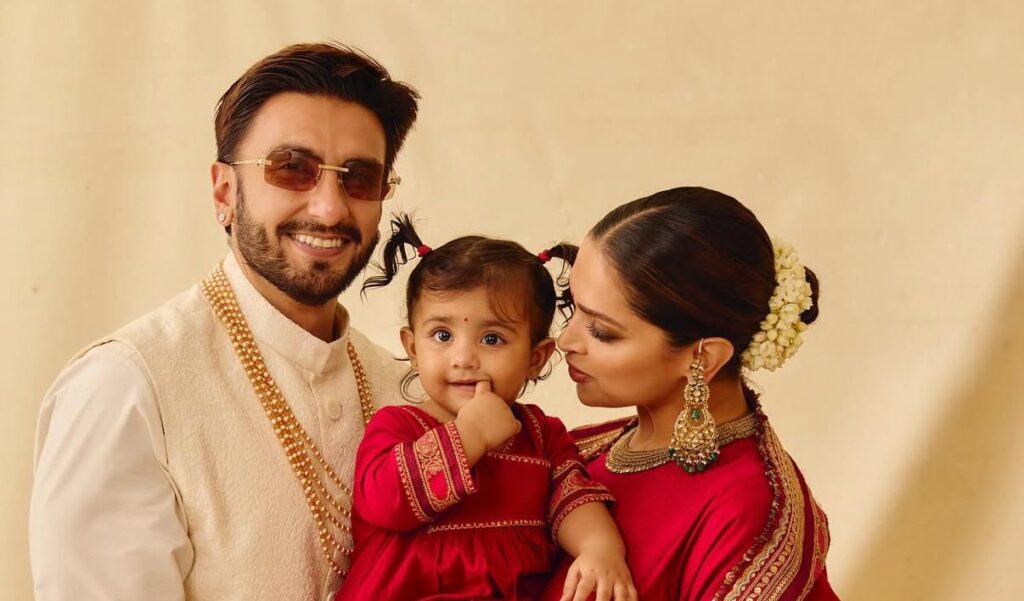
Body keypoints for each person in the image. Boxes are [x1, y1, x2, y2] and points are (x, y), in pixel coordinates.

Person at [29, 42, 420, 601]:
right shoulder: (127, 388)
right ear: (224, 191)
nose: (330, 208)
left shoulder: (408, 389)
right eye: (293, 169)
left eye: (358, 178)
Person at [542, 187, 840, 600]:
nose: (565, 340)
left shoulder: (748, 513)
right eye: (571, 307)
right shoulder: (577, 449)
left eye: (602, 331)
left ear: (703, 356)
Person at [333, 215, 637, 601]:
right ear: (413, 348)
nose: (463, 358)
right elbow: (385, 503)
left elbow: (574, 499)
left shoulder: (541, 436)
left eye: (492, 339)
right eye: (442, 335)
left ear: (536, 358)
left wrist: (600, 548)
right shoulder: (399, 425)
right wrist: (470, 434)